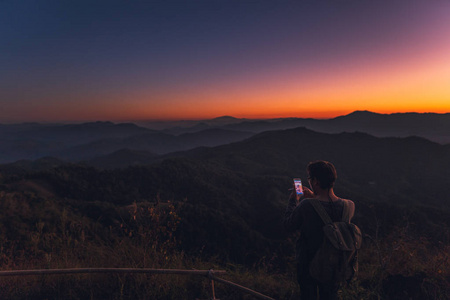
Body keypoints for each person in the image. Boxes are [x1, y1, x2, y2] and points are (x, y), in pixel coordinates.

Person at [284, 160, 355, 300]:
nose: (309, 181)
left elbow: (288, 225)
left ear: (315, 181)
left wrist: (294, 200)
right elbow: (329, 210)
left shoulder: (306, 206)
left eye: (309, 178)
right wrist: (315, 198)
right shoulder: (349, 206)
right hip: (336, 266)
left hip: (308, 266)